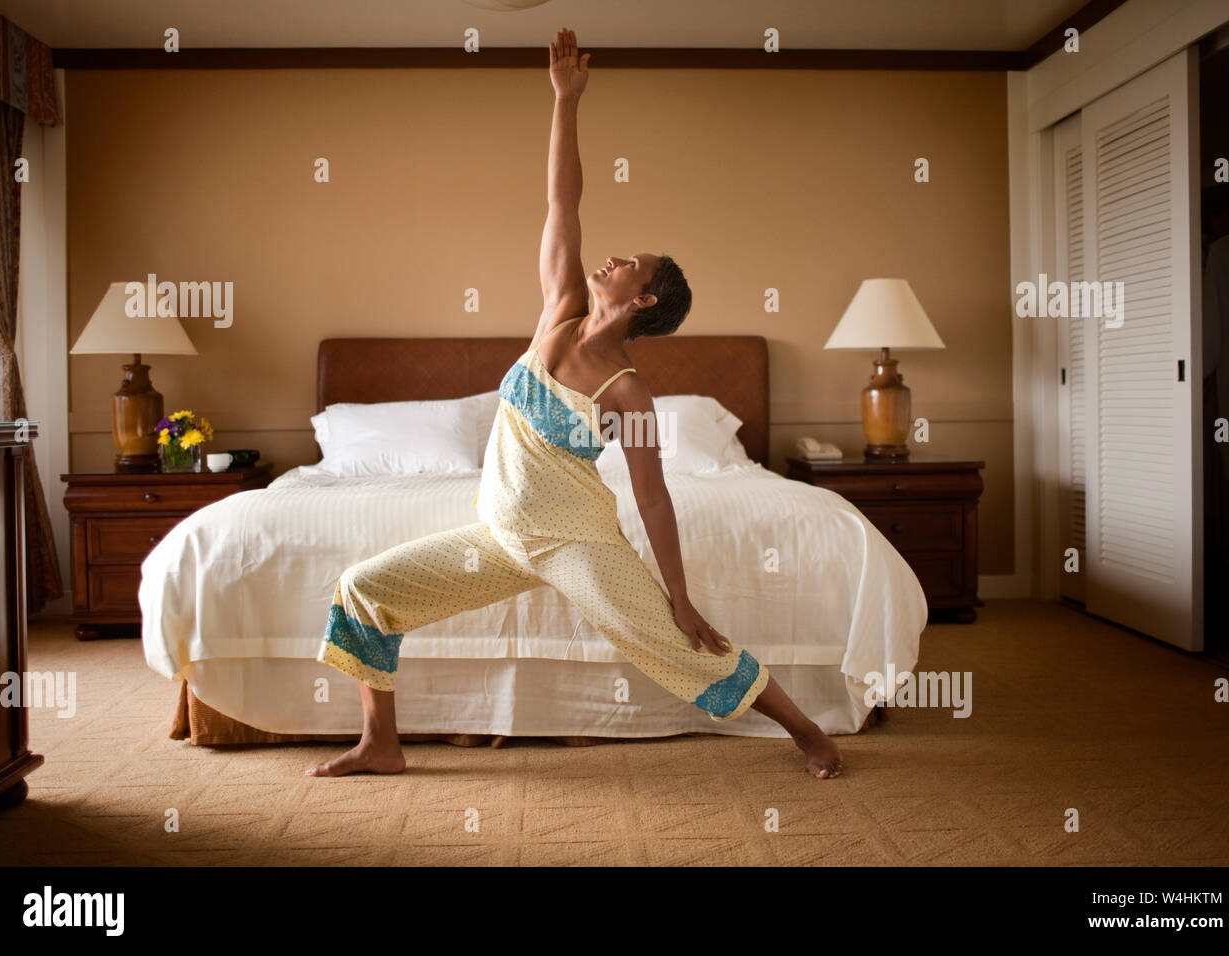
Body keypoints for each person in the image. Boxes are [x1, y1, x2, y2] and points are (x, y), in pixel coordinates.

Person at [307, 29, 843, 780]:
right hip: (498, 534)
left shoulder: (627, 392)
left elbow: (655, 501)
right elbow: (564, 199)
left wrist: (680, 598)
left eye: (632, 265)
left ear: (643, 300)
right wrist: (565, 101)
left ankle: (808, 731)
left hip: (577, 543)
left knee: (674, 642)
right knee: (365, 589)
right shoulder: (557, 309)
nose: (615, 258)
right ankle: (380, 743)